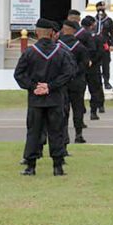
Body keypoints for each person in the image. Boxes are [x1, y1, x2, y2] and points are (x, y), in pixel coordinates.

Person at [14, 18, 75, 176]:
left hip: (36, 100)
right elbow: (69, 73)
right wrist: (51, 86)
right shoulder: (62, 52)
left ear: (37, 32)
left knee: (33, 132)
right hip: (55, 99)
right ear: (52, 33)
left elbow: (18, 74)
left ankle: (30, 166)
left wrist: (34, 86)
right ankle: (57, 167)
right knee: (57, 132)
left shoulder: (29, 52)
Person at [58, 20, 90, 146]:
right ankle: (78, 135)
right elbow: (85, 64)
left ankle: (64, 136)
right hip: (77, 81)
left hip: (63, 82)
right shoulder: (81, 47)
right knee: (78, 109)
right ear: (74, 31)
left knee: (63, 110)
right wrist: (74, 72)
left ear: (64, 29)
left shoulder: (58, 46)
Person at [82, 16, 105, 121]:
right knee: (95, 90)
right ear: (91, 26)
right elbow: (101, 52)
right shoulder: (98, 38)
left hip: (81, 67)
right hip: (93, 68)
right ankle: (93, 112)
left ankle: (81, 109)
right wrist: (93, 61)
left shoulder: (78, 37)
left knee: (80, 91)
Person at [95, 1, 113, 91]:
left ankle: (106, 82)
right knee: (95, 64)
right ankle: (97, 82)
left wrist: (112, 44)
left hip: (105, 45)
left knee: (106, 65)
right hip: (95, 46)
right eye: (99, 8)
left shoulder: (108, 20)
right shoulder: (93, 20)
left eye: (102, 8)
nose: (101, 10)